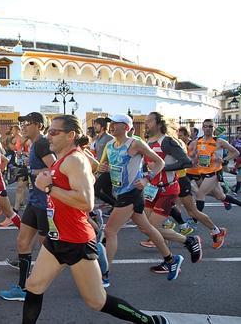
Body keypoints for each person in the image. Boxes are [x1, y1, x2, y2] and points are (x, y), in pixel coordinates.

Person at [21, 114, 169, 324]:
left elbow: (85, 202)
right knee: (34, 286)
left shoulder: (74, 159)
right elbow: (93, 169)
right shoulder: (66, 158)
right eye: (48, 132)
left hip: (76, 241)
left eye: (54, 132)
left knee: (97, 301)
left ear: (71, 135)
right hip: (57, 237)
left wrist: (48, 188)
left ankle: (150, 321)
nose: (49, 136)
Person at [100, 114, 183, 286]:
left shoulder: (135, 144)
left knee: (110, 231)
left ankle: (104, 274)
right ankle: (171, 259)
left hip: (132, 193)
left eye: (116, 123)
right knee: (147, 228)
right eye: (111, 123)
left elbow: (159, 162)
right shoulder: (109, 145)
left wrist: (147, 179)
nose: (112, 126)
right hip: (121, 193)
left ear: (126, 127)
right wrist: (103, 167)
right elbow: (104, 167)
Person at [0, 112, 55, 302]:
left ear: (39, 125)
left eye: (27, 123)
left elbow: (55, 170)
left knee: (48, 247)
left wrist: (30, 171)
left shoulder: (42, 143)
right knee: (23, 242)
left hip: (44, 203)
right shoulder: (33, 144)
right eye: (22, 123)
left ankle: (91, 256)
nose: (23, 126)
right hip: (34, 201)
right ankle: (22, 287)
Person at [139, 112, 202, 270]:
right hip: (152, 190)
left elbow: (186, 162)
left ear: (159, 124)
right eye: (145, 122)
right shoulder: (148, 141)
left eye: (149, 121)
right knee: (144, 227)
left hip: (168, 190)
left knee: (151, 228)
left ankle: (189, 242)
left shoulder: (167, 141)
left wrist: (163, 167)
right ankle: (169, 261)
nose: (146, 124)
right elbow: (148, 165)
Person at [186, 119, 239, 248]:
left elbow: (235, 152)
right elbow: (193, 156)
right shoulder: (198, 141)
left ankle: (194, 222)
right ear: (203, 128)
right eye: (206, 126)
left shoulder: (219, 141)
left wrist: (224, 160)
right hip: (202, 173)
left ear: (213, 128)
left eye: (210, 126)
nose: (208, 128)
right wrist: (193, 157)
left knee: (200, 194)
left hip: (214, 173)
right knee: (221, 197)